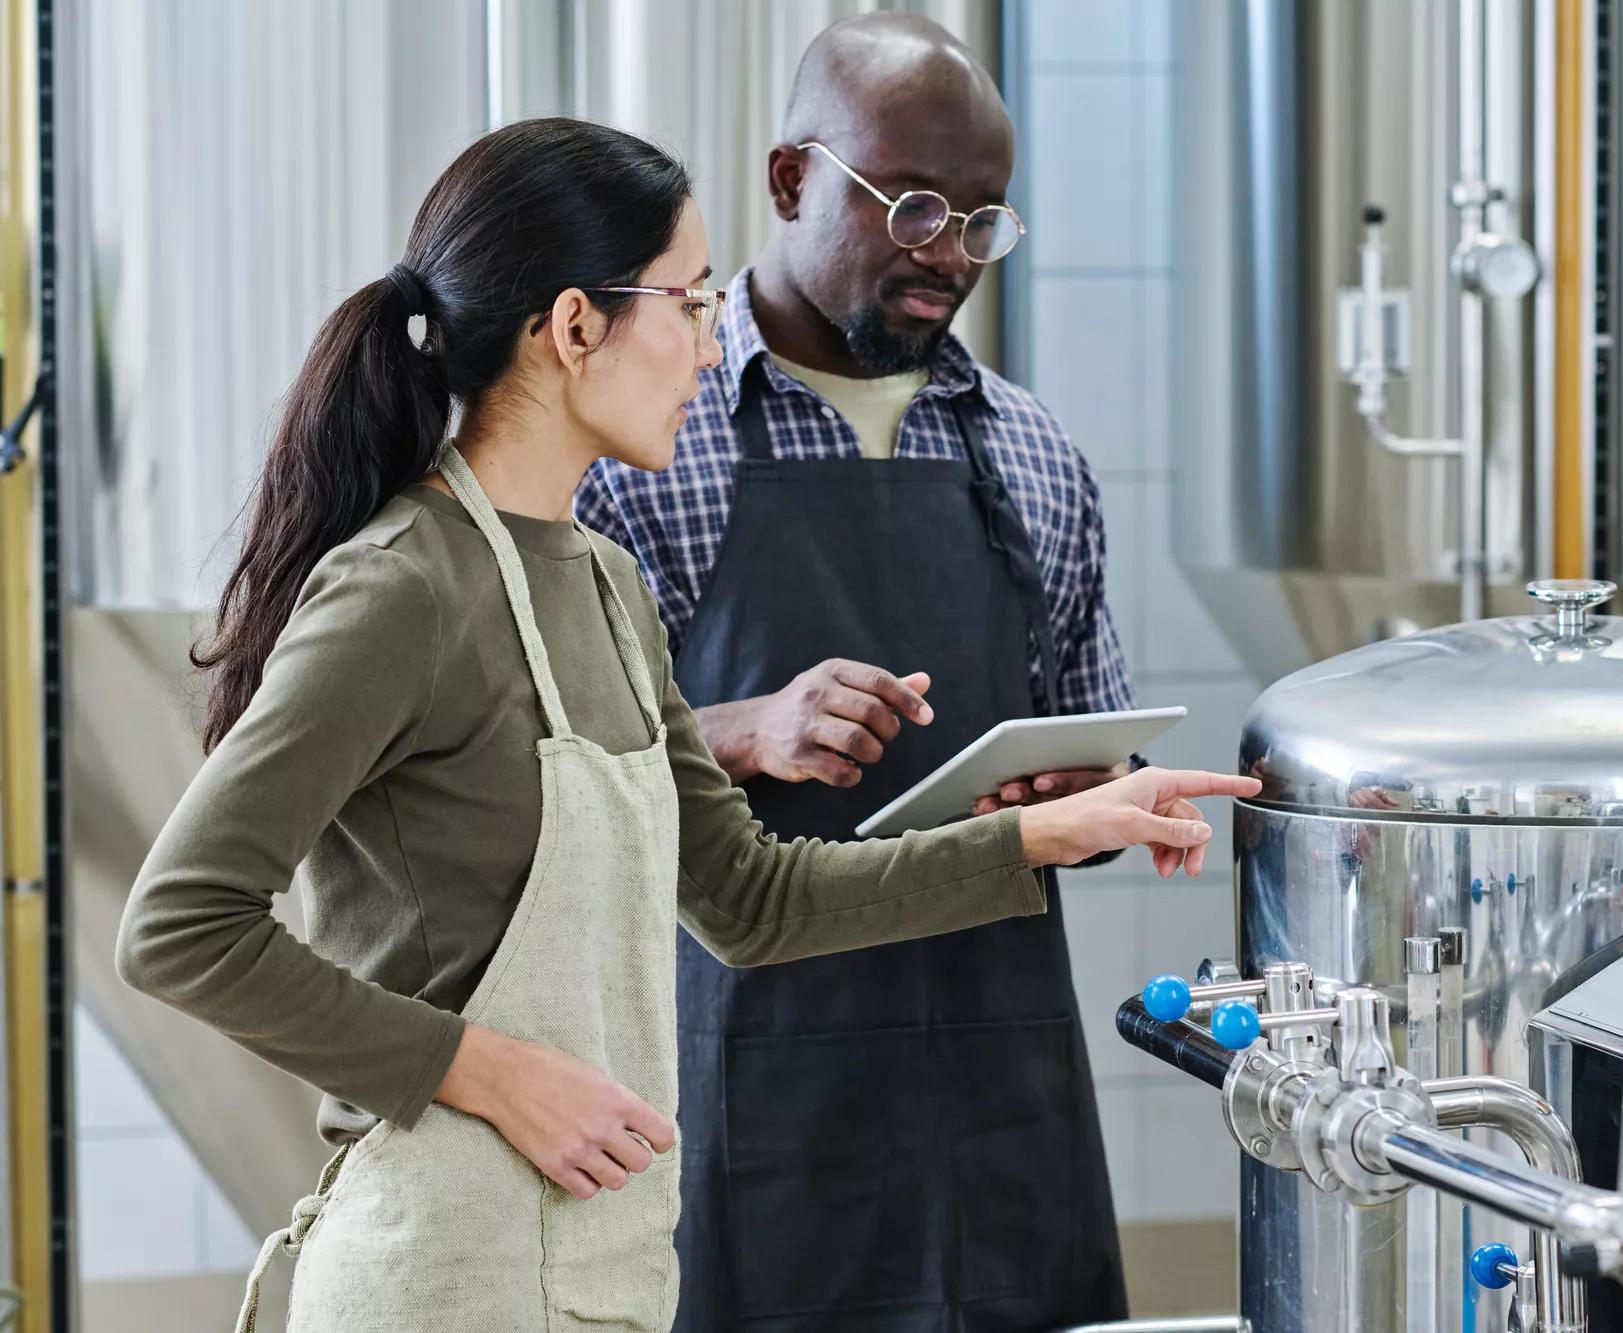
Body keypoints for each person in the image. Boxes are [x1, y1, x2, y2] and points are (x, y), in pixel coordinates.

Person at [113, 118, 1254, 1333]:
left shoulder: (601, 580)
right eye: (690, 303)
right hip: (441, 1274)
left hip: (597, 1267)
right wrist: (492, 1072)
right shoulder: (403, 587)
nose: (713, 347)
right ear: (572, 327)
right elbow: (180, 926)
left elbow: (751, 900)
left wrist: (1051, 829)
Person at [573, 16, 1146, 1329]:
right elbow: (554, 771)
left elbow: (1094, 751)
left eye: (984, 222)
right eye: (917, 208)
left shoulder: (1036, 456)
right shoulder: (652, 439)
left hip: (1005, 1099)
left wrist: (1088, 783)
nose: (949, 257)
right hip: (747, 1091)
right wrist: (741, 730)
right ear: (791, 182)